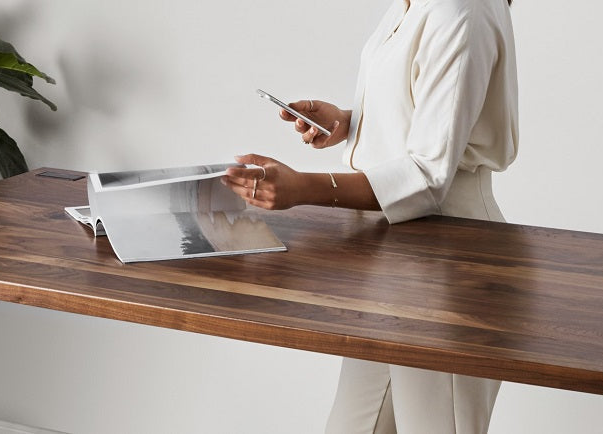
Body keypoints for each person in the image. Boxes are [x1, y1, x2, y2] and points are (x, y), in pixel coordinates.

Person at [221, 0, 517, 432]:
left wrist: (304, 187)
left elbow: (428, 175)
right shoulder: (411, 5)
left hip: (456, 259)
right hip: (393, 257)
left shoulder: (462, 10)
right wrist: (352, 122)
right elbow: (433, 117)